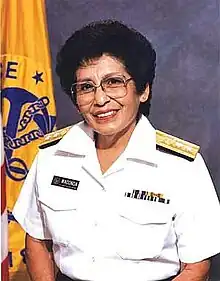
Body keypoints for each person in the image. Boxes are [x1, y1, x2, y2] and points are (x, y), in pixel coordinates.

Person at [13, 20, 220, 281]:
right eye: (86, 87)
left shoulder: (182, 167)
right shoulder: (52, 156)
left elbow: (196, 267)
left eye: (113, 82)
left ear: (143, 90)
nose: (100, 100)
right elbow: (36, 241)